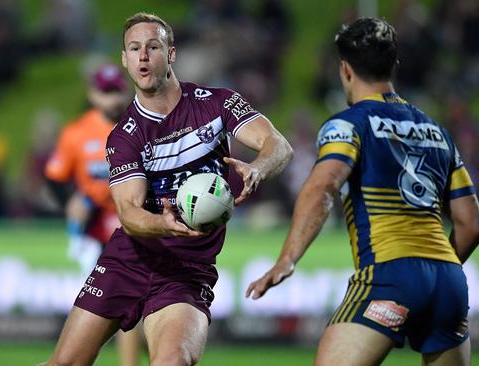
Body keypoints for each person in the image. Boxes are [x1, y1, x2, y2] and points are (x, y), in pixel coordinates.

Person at [42, 12, 293, 366]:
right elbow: (129, 214)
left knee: (173, 361)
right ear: (125, 61)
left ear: (171, 54)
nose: (143, 56)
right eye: (134, 49)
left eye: (152, 46)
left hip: (186, 271)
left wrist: (257, 168)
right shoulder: (124, 137)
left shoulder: (216, 103)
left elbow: (277, 144)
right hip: (128, 261)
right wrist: (164, 224)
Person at [246, 17, 479, 366]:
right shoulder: (437, 131)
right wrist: (432, 277)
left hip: (390, 273)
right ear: (394, 65)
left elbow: (324, 186)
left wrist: (287, 259)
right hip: (449, 279)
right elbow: (471, 224)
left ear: (345, 70)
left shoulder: (348, 124)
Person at [44, 63, 144, 366]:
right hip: (95, 228)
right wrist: (69, 201)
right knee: (109, 304)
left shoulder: (142, 125)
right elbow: (54, 176)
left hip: (136, 224)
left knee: (128, 301)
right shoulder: (76, 133)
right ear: (93, 94)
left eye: (117, 91)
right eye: (106, 92)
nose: (112, 99)